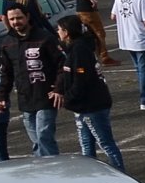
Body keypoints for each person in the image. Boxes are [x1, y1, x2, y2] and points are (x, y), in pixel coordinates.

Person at [52, 15, 124, 170]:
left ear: (66, 32)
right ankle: (90, 174)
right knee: (86, 143)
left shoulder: (80, 50)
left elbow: (81, 78)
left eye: (59, 29)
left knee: (105, 142)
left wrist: (69, 97)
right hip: (83, 106)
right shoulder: (74, 48)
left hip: (92, 105)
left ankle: (121, 173)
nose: (57, 32)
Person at [0, 0, 64, 155]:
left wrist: (59, 88)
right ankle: (45, 169)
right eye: (11, 19)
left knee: (44, 136)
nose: (15, 22)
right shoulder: (7, 43)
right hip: (25, 99)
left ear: (27, 17)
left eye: (19, 18)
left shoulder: (45, 38)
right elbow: (6, 72)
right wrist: (2, 97)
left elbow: (62, 64)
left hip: (46, 96)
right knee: (37, 142)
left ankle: (51, 170)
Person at [72, 0, 114, 68]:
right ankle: (104, 57)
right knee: (99, 33)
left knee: (92, 34)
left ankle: (96, 57)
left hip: (88, 10)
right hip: (87, 11)